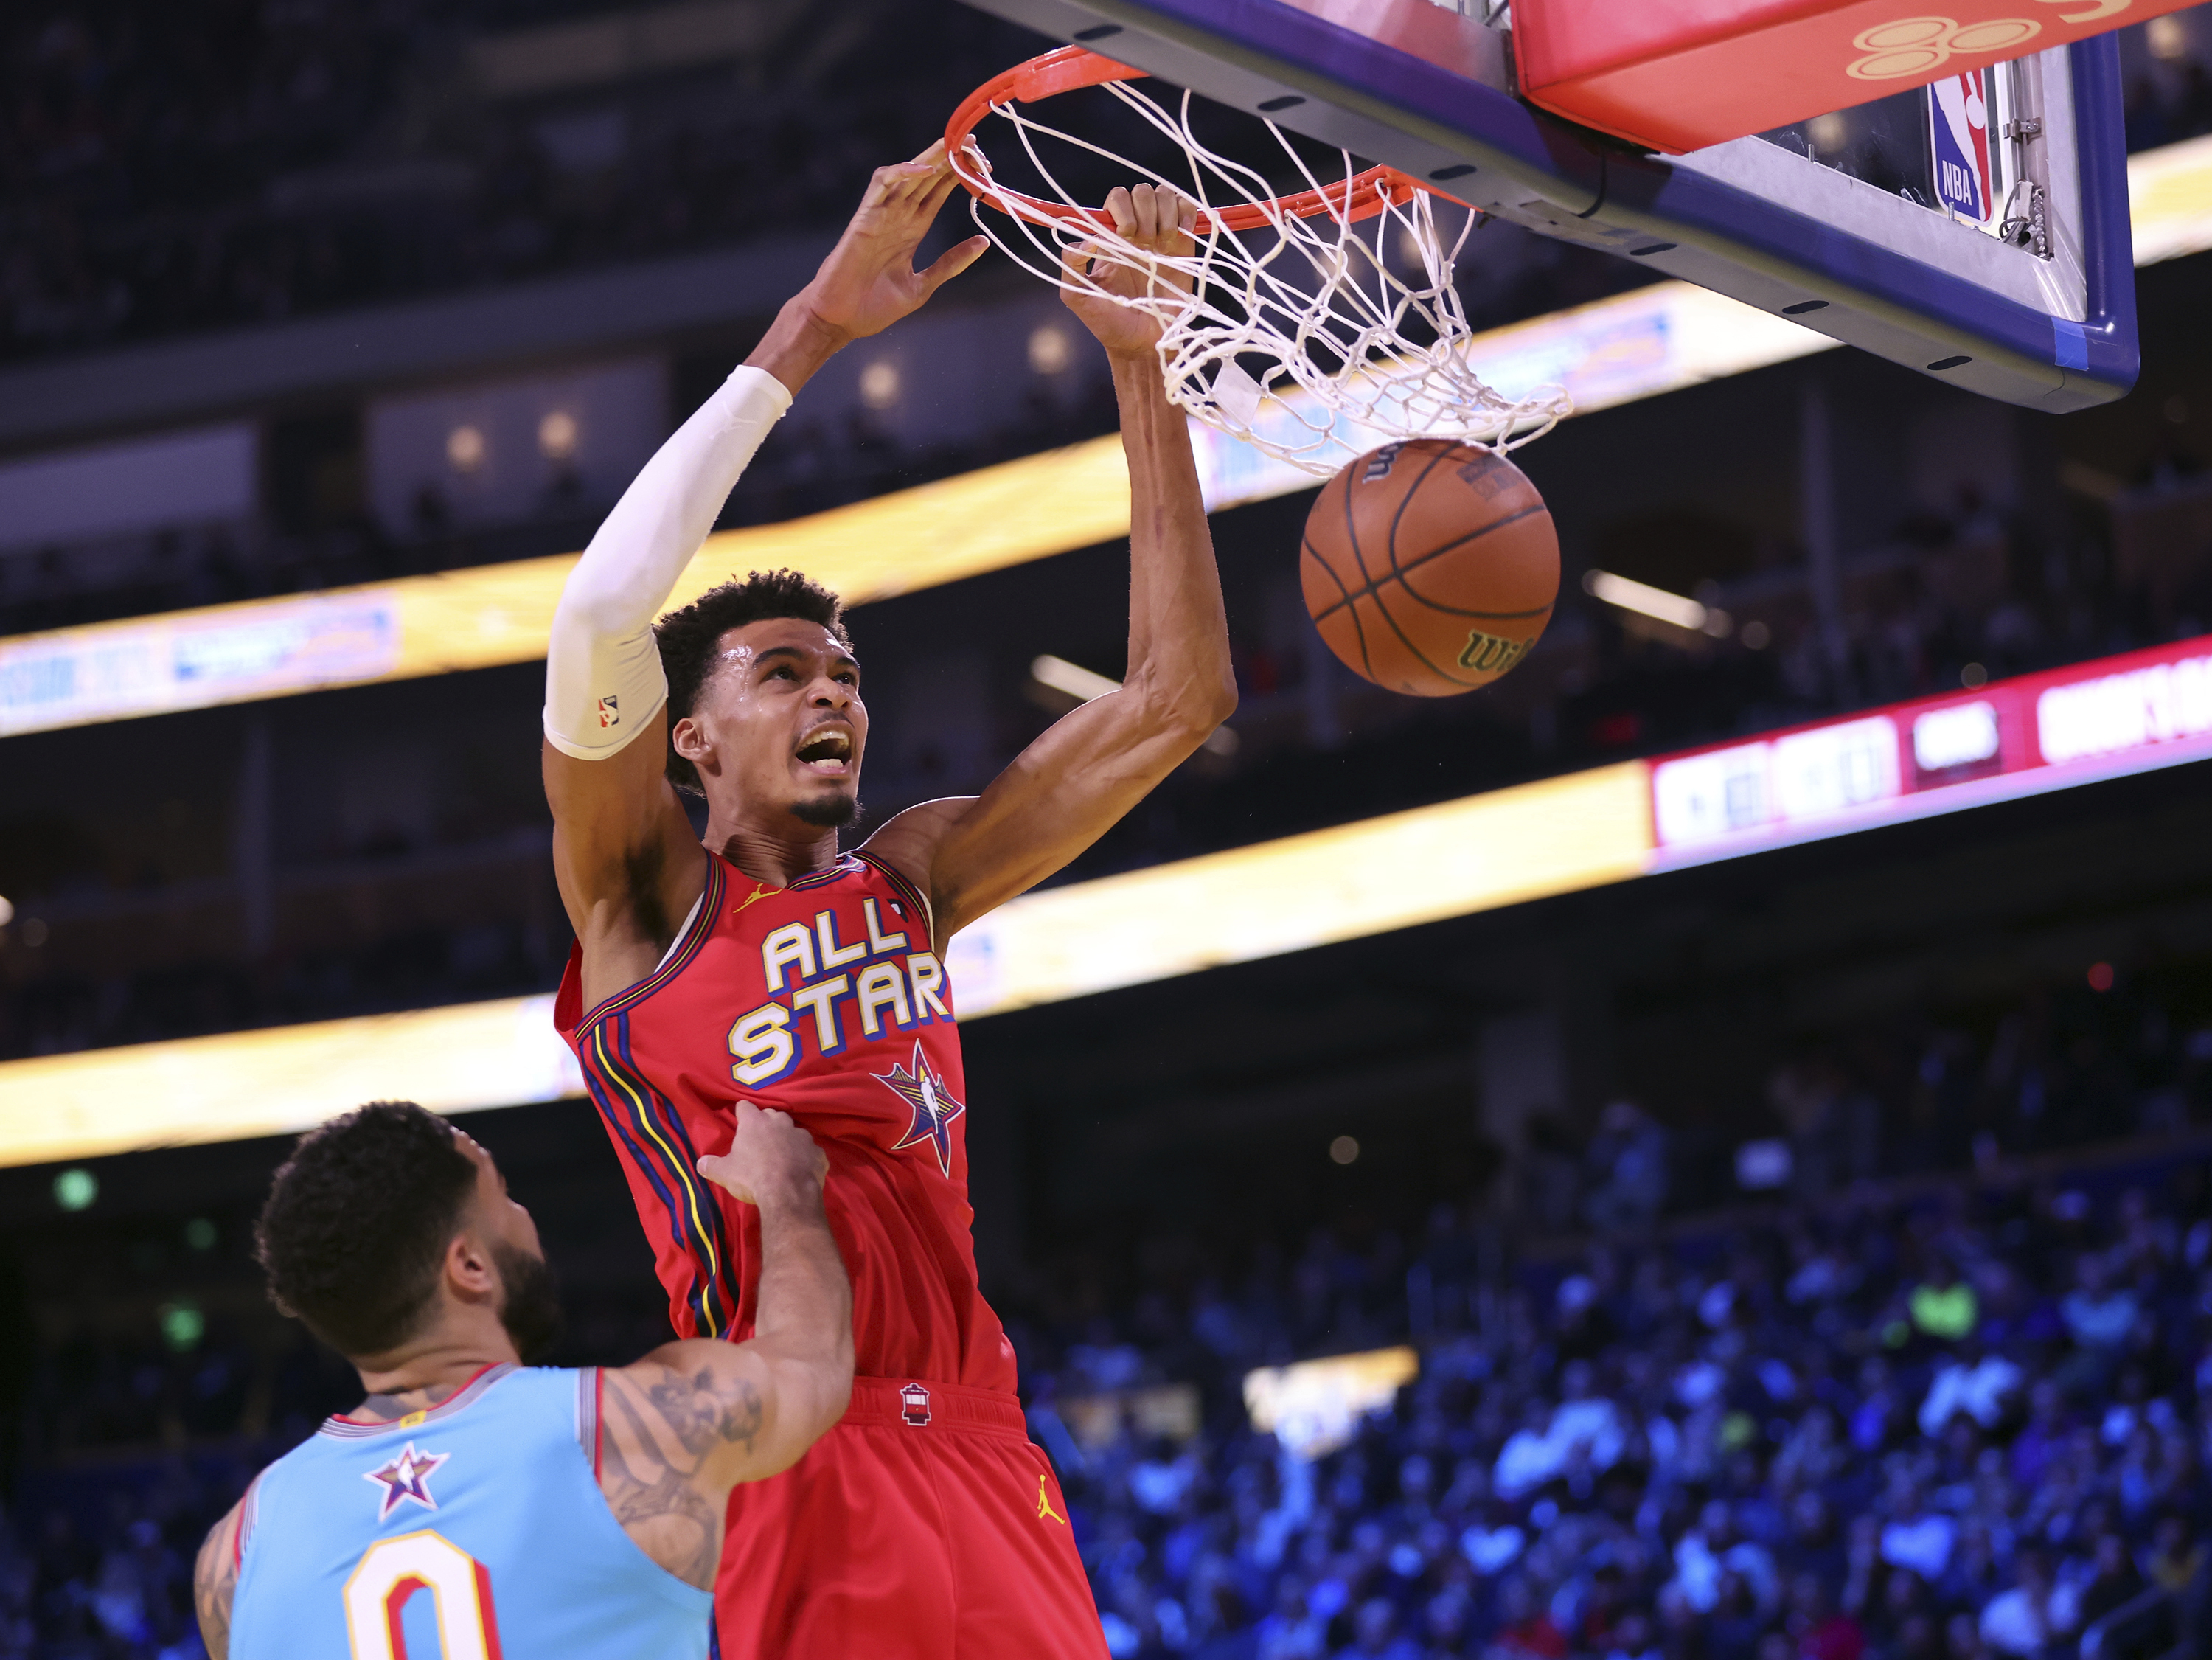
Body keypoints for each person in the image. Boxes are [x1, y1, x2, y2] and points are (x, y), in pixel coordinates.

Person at [538, 137, 1234, 1657]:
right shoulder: (642, 906)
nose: (831, 695)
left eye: (845, 675)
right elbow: (598, 615)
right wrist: (818, 330)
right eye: (783, 673)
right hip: (797, 1434)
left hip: (986, 1446)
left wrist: (1144, 360)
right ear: (691, 739)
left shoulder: (912, 876)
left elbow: (1179, 696)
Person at [189, 1100, 849, 1659]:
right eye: (502, 1192)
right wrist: (786, 1189)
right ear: (469, 1264)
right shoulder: (628, 1428)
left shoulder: (234, 1555)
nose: (523, 1212)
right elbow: (813, 1359)